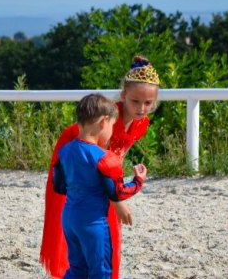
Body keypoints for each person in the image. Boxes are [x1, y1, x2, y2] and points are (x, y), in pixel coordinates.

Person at [40, 56, 160, 279]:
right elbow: (99, 165)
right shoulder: (106, 122)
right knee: (73, 214)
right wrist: (118, 200)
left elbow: (114, 159)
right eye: (135, 102)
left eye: (148, 103)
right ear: (123, 96)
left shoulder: (141, 123)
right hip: (77, 155)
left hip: (103, 171)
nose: (142, 109)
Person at [53, 93, 148, 279]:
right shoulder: (106, 158)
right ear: (104, 122)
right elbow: (119, 192)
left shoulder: (64, 151)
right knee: (102, 271)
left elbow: (59, 186)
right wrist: (138, 181)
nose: (112, 131)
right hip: (93, 222)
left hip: (69, 218)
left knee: (77, 268)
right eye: (112, 125)